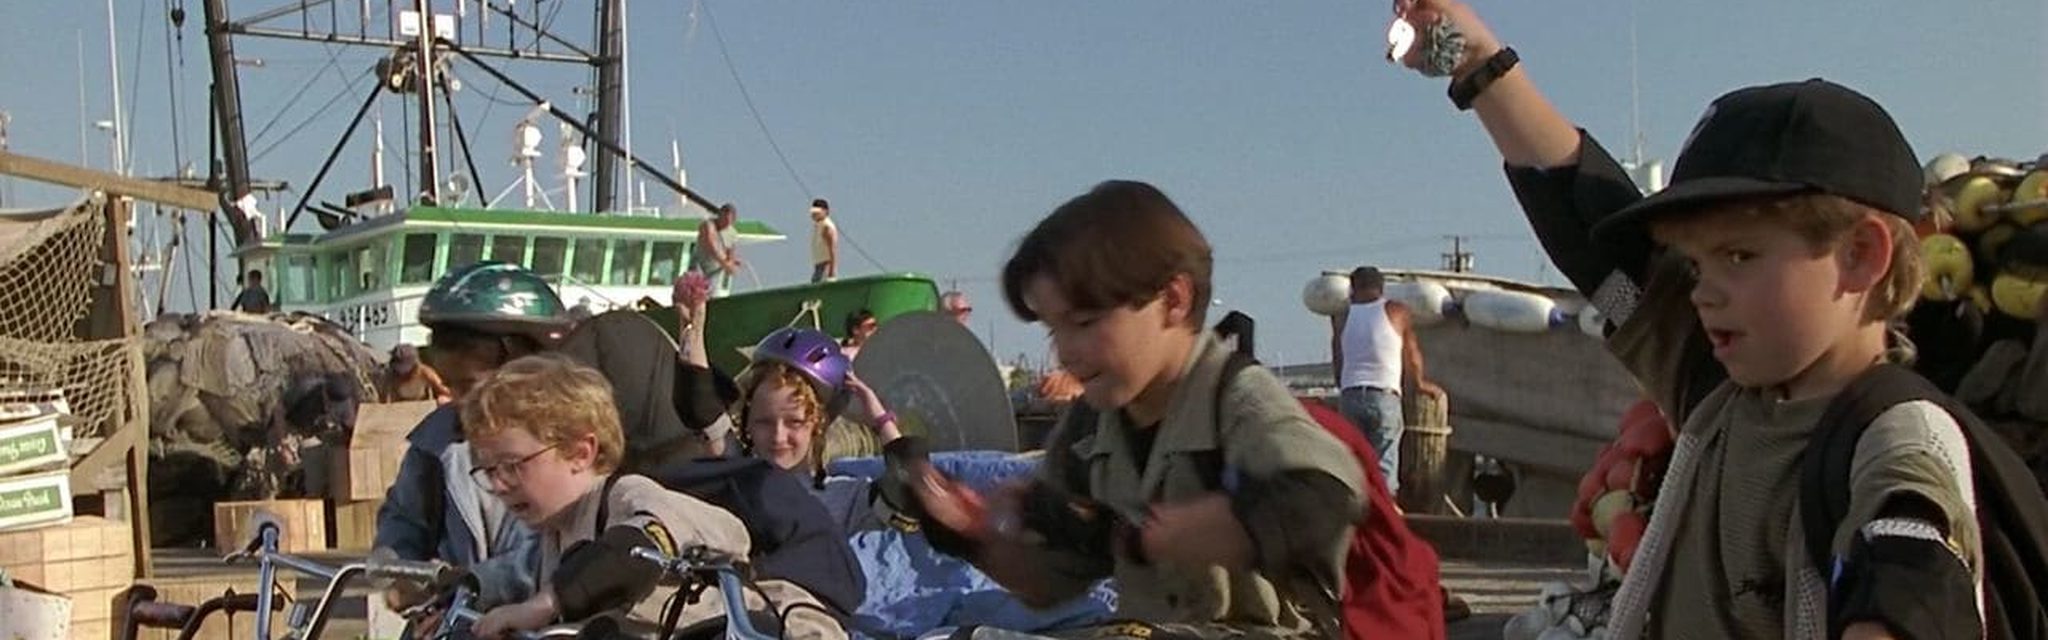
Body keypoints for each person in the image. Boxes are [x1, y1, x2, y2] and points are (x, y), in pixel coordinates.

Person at [1396, 2, 1983, 636]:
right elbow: (1593, 233)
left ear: (1860, 255)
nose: (1702, 293)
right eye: (1696, 265)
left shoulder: (1896, 444)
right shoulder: (1715, 390)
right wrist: (1480, 63)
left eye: (1739, 256)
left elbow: (1911, 581)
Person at [910, 180, 1368, 638]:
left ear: (1173, 300)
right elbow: (1056, 579)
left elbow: (1326, 495)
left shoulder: (1234, 398)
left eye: (1084, 323)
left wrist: (1208, 528)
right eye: (1054, 330)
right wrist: (970, 532)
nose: (1065, 352)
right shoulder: (1093, 429)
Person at [458, 353, 768, 638]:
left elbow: (640, 545)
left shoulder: (626, 496)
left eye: (512, 465)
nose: (499, 485)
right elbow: (514, 570)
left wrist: (545, 604)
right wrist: (459, 586)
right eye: (489, 471)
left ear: (580, 453)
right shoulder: (554, 535)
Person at [376, 262, 569, 619]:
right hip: (456, 621)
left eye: (469, 385)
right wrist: (400, 569)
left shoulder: (570, 444)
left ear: (526, 367)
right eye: (449, 385)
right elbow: (404, 516)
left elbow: (562, 552)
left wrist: (473, 584)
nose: (458, 401)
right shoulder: (438, 441)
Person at [1328, 266, 1443, 494]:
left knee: (1355, 463)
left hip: (1350, 394)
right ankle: (1385, 506)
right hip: (1384, 395)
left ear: (1353, 288)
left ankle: (1357, 509)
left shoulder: (1342, 317)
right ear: (1381, 288)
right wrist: (1420, 383)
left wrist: (1343, 383)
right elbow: (1412, 353)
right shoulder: (1396, 311)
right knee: (1384, 465)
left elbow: (1338, 356)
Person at [692, 203, 743, 297]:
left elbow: (730, 252)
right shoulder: (707, 225)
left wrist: (732, 263)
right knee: (696, 293)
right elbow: (711, 245)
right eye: (724, 218)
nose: (726, 222)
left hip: (715, 270)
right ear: (720, 215)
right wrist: (725, 264)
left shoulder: (732, 233)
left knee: (712, 294)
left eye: (729, 220)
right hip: (699, 265)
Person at [380, 343, 453, 404]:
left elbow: (445, 391)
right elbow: (384, 400)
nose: (402, 373)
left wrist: (444, 399)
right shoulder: (390, 376)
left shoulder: (425, 372)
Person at [811, 198, 839, 283]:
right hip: (818, 266)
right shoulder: (818, 226)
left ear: (825, 211)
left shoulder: (827, 227)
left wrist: (832, 271)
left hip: (825, 266)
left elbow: (832, 249)